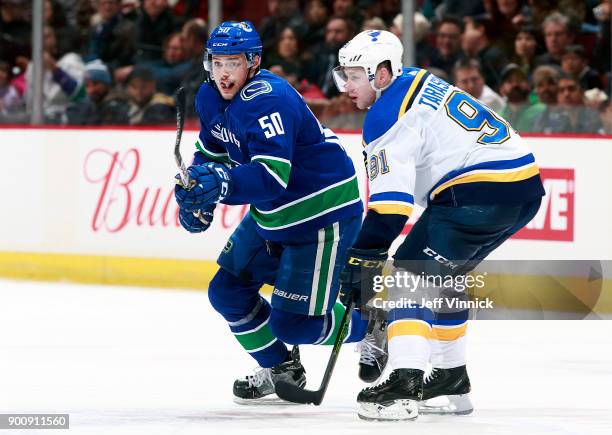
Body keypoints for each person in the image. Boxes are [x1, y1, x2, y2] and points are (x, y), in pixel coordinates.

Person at [332, 30, 544, 421]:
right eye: (342, 74)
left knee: (411, 274)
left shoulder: (385, 116)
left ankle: (404, 382)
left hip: (480, 192)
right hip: (524, 188)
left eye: (355, 76)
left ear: (381, 75)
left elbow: (390, 210)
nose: (346, 86)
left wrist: (362, 256)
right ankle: (449, 377)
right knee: (443, 276)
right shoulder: (411, 76)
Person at [173, 21, 384, 404]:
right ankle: (280, 367)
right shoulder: (209, 96)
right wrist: (198, 190)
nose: (223, 72)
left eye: (232, 62)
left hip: (322, 213)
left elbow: (272, 177)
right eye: (216, 62)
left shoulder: (269, 97)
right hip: (274, 215)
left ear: (253, 62)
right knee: (226, 292)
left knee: (296, 323)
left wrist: (221, 185)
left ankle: (369, 324)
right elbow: (213, 152)